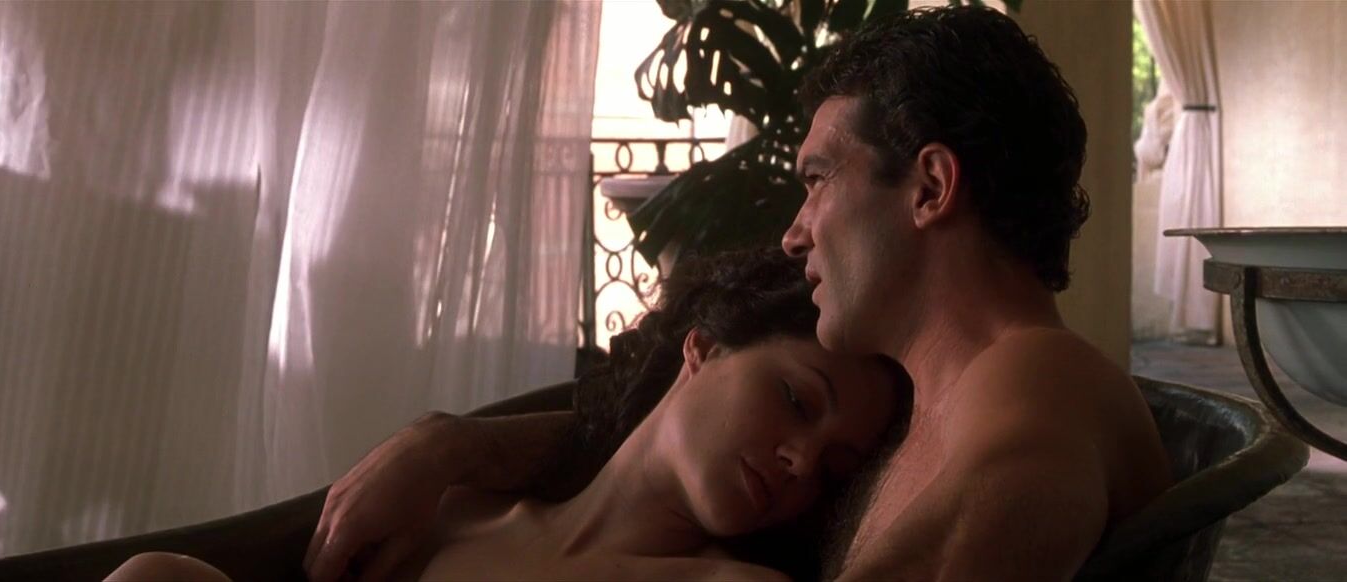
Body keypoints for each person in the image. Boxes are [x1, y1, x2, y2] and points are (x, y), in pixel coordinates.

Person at [307, 6, 1173, 582]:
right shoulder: (917, 410)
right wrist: (452, 447)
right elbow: (672, 432)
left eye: (819, 178)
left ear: (930, 187)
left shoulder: (1041, 382)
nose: (795, 233)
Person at [107, 248, 910, 581]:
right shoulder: (449, 512)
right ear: (704, 347)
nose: (803, 462)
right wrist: (444, 447)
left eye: (835, 466)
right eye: (797, 400)